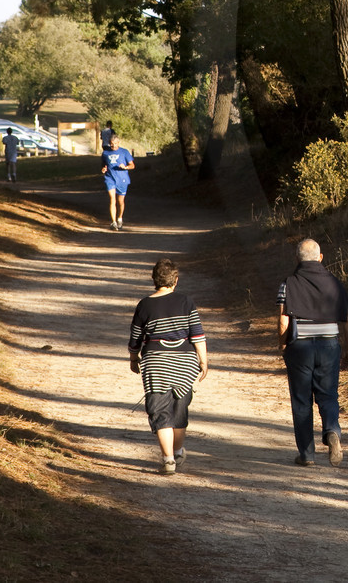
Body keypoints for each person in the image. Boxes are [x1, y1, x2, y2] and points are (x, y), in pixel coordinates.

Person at [277, 238, 348, 466]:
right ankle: (332, 431)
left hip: (300, 347)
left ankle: (307, 455)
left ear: (297, 259)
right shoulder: (335, 283)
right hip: (329, 345)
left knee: (301, 400)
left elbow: (283, 321)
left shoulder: (288, 283)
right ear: (320, 258)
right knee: (328, 395)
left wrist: (282, 345)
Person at [127, 258, 208, 475]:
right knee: (179, 411)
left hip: (156, 363)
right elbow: (198, 335)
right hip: (185, 362)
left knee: (160, 412)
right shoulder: (186, 302)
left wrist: (134, 358)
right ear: (176, 281)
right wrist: (203, 360)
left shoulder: (144, 305)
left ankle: (168, 460)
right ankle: (179, 451)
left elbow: (136, 337)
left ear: (154, 280)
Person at [101, 132, 136, 230]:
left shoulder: (124, 152)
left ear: (118, 142)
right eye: (112, 144)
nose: (113, 146)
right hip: (110, 178)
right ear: (109, 143)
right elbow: (104, 165)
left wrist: (125, 167)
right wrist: (104, 169)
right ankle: (113, 222)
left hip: (122, 179)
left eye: (115, 144)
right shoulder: (105, 153)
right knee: (112, 199)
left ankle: (120, 218)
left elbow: (132, 165)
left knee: (120, 201)